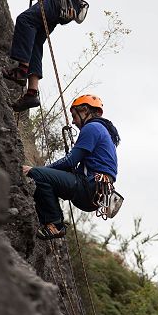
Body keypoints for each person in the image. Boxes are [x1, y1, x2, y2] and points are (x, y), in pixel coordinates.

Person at [22, 95, 120, 240]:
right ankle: (52, 221)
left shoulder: (92, 128)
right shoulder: (104, 132)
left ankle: (55, 224)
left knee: (39, 175)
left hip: (89, 186)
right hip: (96, 191)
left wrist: (38, 171)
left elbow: (70, 161)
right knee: (47, 179)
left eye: (74, 115)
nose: (73, 121)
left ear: (85, 110)